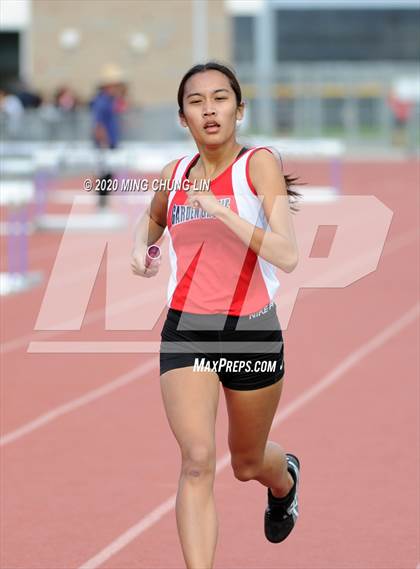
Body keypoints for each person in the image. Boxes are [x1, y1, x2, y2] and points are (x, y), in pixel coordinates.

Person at [131, 61, 302, 569]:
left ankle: (285, 477)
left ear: (239, 109)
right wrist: (140, 248)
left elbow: (287, 255)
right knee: (198, 462)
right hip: (187, 330)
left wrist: (222, 210)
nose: (209, 109)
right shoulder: (175, 175)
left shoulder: (258, 165)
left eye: (221, 98)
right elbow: (151, 219)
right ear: (182, 117)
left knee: (247, 463)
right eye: (197, 101)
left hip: (251, 333)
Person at [90, 64, 126, 209]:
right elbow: (98, 125)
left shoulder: (110, 101)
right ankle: (101, 202)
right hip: (104, 144)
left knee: (109, 174)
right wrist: (103, 143)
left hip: (109, 143)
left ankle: (103, 202)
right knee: (104, 174)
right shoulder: (102, 102)